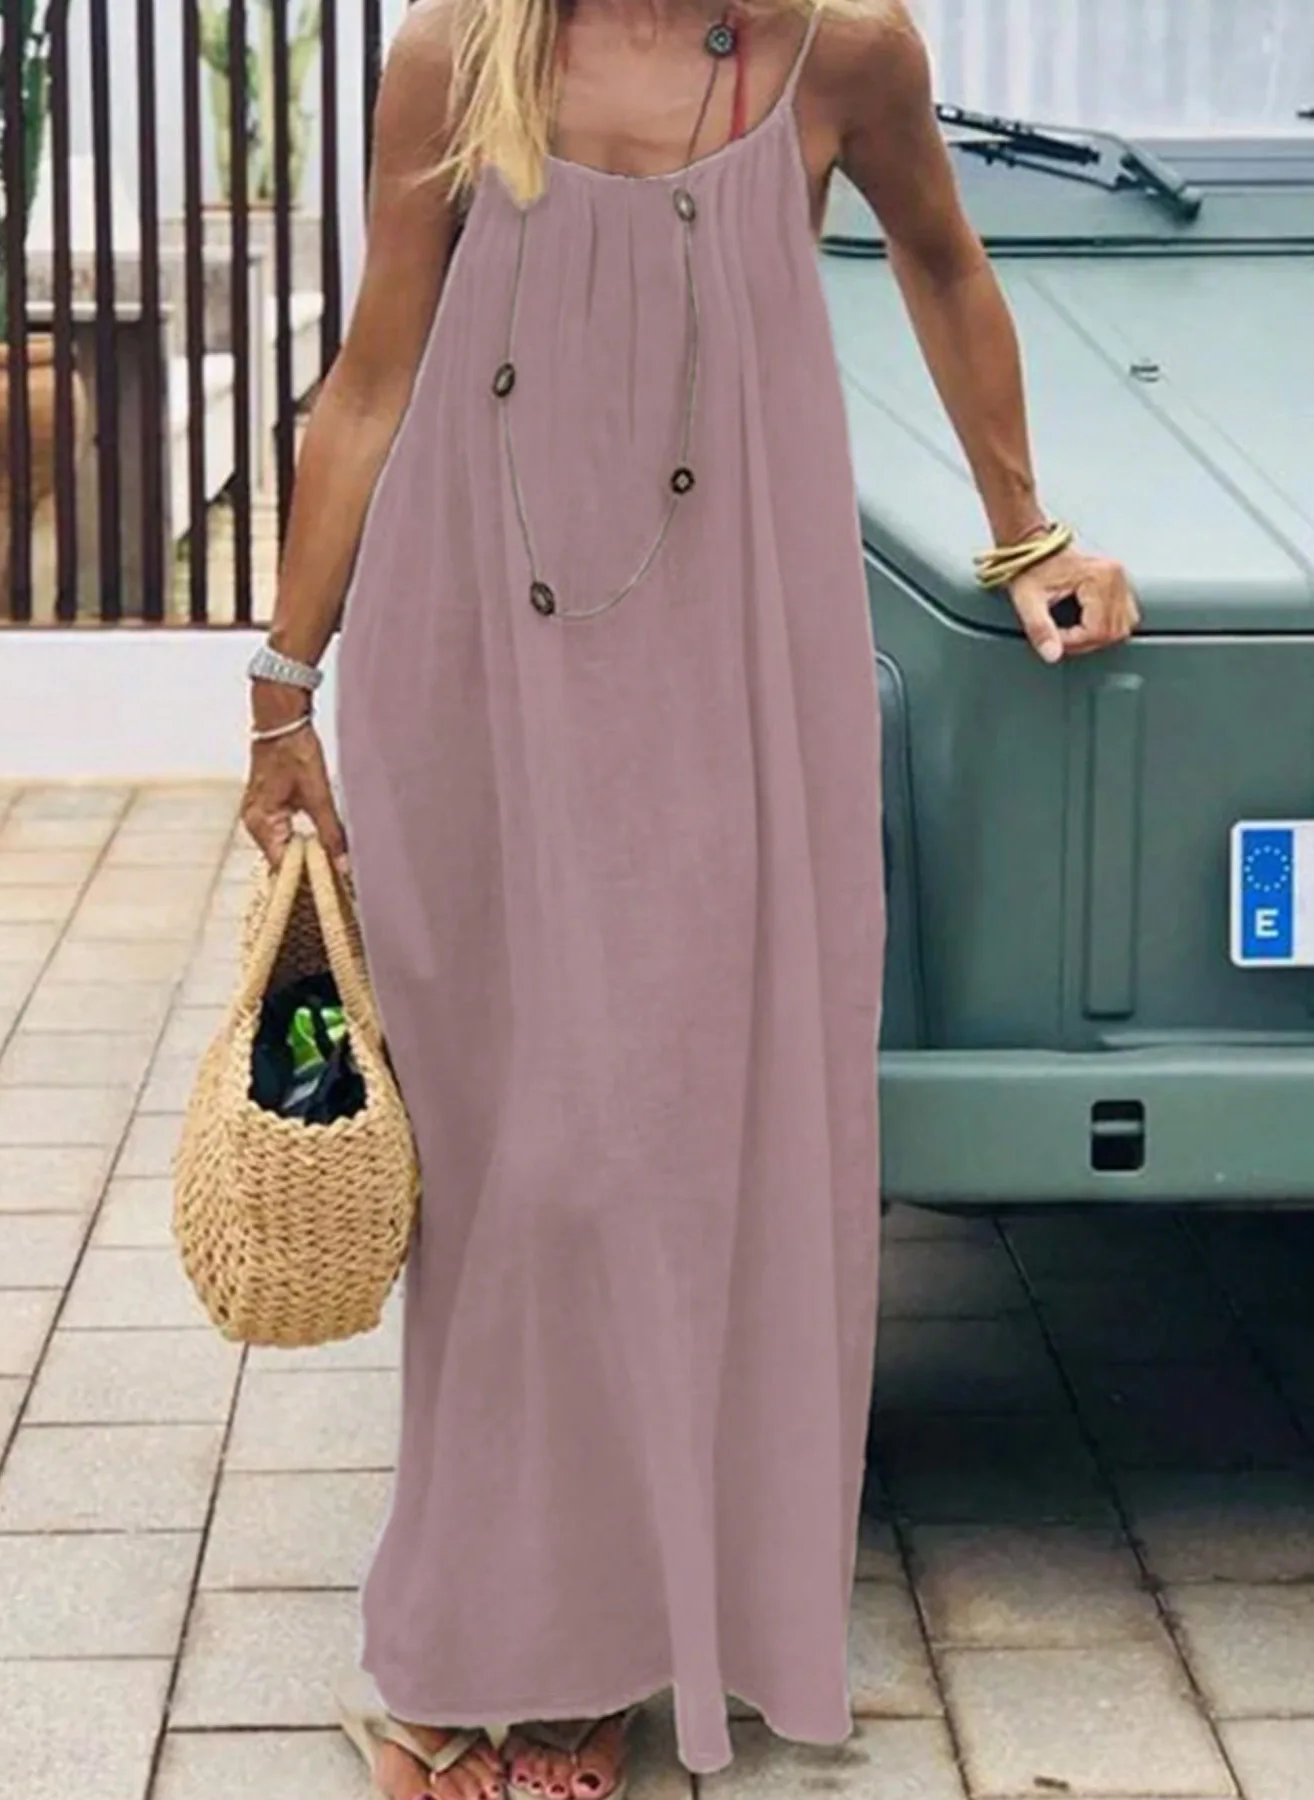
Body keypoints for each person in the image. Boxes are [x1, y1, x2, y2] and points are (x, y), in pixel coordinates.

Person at [241, 0, 1138, 1794]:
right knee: (505, 1169)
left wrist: (1027, 531)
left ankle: (606, 1640)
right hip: (468, 659)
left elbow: (944, 265)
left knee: (652, 1146)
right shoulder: (455, 56)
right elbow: (372, 375)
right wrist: (281, 692)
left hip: (726, 658)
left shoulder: (842, 51)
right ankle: (475, 1643)